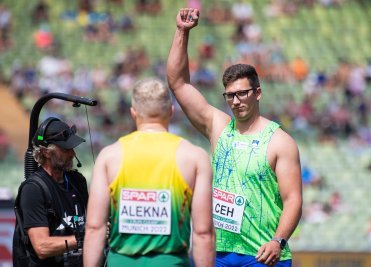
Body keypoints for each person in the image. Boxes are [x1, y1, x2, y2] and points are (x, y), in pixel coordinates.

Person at [166, 8, 303, 267]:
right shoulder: (219, 127)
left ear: (258, 93)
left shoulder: (279, 141)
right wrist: (182, 32)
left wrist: (279, 241)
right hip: (216, 253)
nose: (235, 101)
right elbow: (178, 84)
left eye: (242, 93)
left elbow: (293, 199)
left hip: (263, 255)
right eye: (230, 95)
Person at [83, 78, 215, 267]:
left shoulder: (110, 156)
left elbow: (95, 228)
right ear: (171, 111)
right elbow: (203, 233)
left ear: (133, 113)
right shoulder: (194, 157)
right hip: (171, 261)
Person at [13, 117, 88, 266]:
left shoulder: (78, 181)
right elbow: (42, 247)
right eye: (66, 149)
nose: (73, 153)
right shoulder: (33, 189)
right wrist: (85, 238)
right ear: (46, 152)